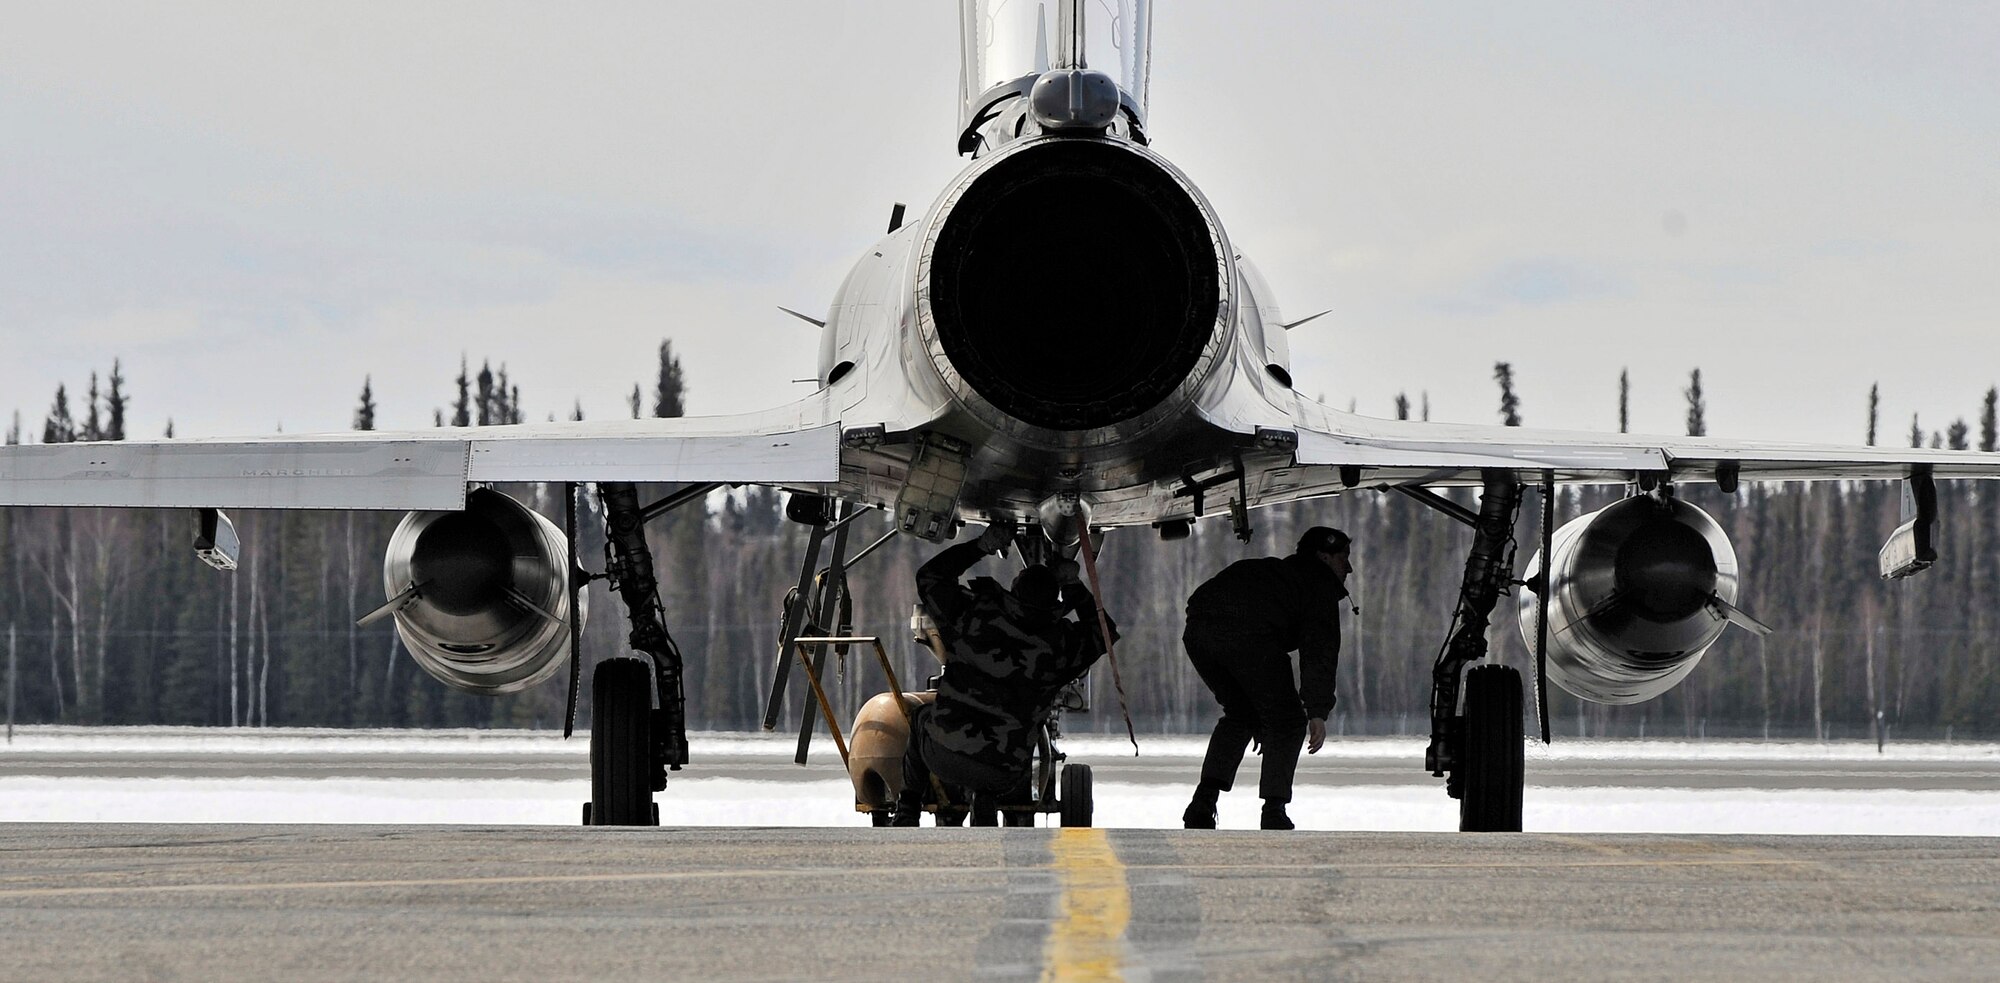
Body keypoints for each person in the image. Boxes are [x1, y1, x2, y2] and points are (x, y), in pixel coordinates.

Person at [893, 519, 1116, 826]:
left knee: (920, 717)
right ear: (1054, 602)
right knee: (1021, 745)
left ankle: (906, 810)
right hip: (1005, 772)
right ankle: (989, 798)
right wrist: (1073, 585)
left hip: (943, 756)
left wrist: (981, 546)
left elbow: (930, 576)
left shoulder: (973, 615)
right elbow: (1104, 633)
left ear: (1014, 590)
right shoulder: (1058, 647)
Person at [1181, 526, 1352, 830]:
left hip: (1199, 633)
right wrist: (1317, 711)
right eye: (1344, 558)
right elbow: (1319, 655)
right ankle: (1274, 810)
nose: (1348, 567)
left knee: (1241, 714)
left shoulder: (1275, 573)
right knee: (1287, 722)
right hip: (1248, 636)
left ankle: (1202, 803)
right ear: (1324, 557)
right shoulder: (1318, 587)